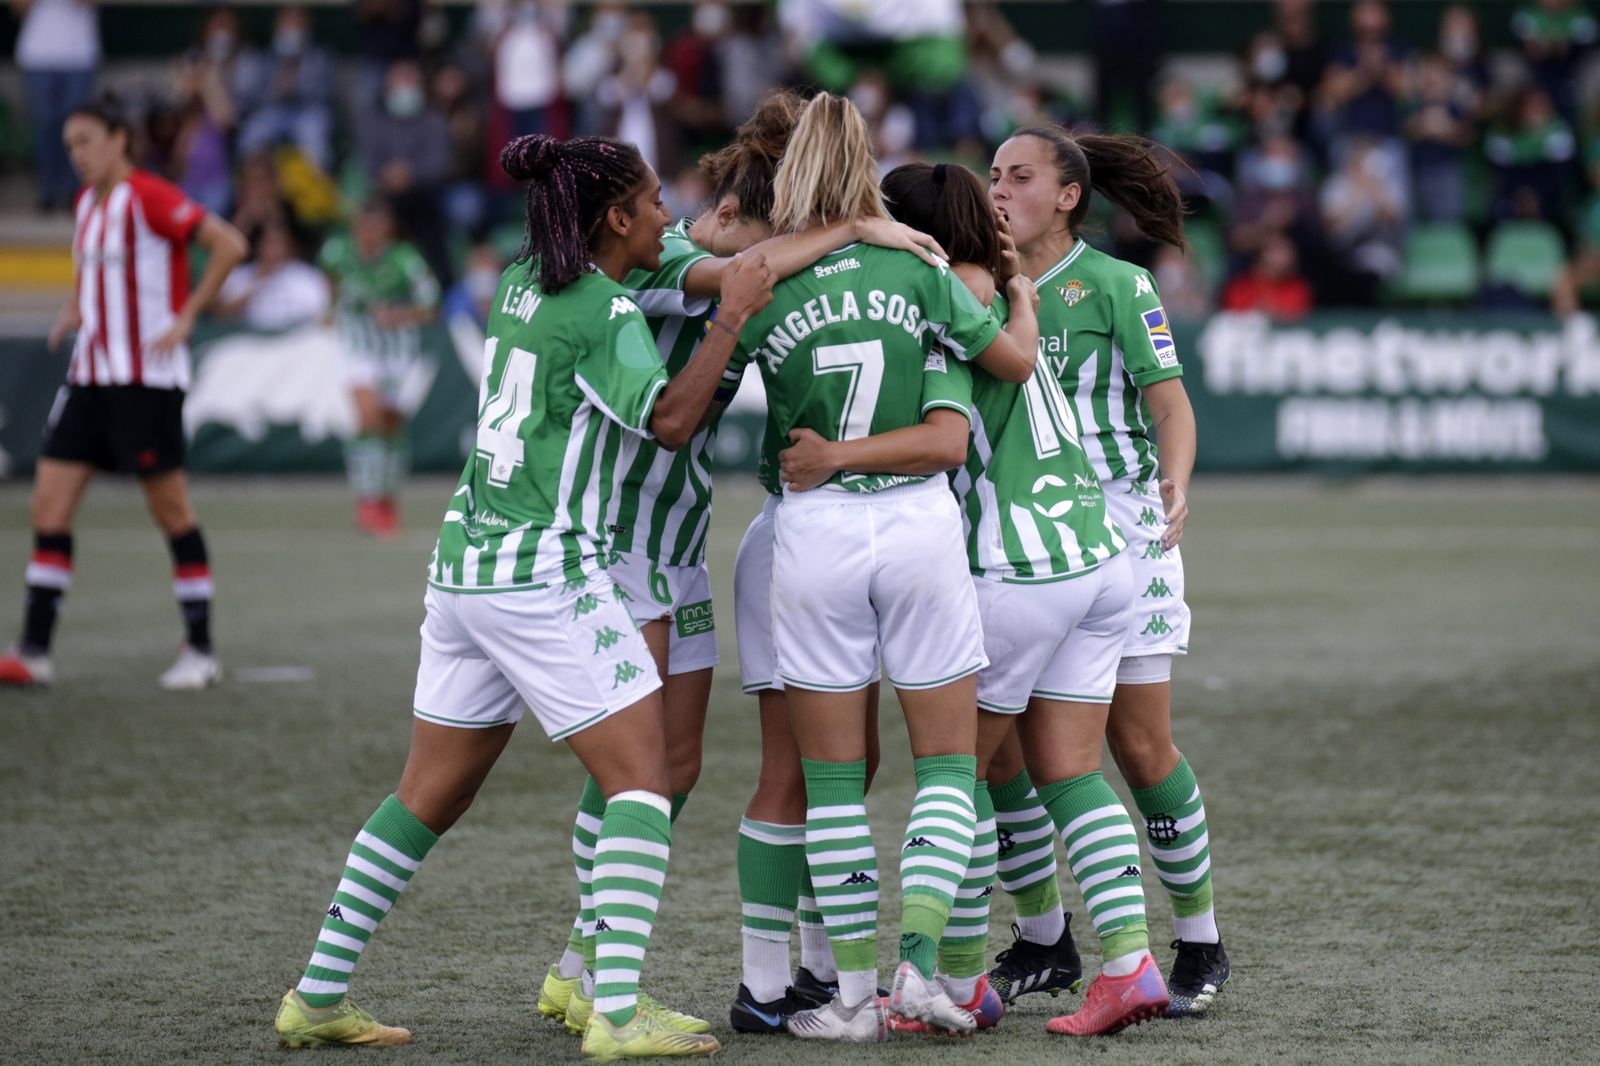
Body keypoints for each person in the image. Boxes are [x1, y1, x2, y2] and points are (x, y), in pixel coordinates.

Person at [272, 131, 775, 1059]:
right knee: (644, 778)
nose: (670, 219)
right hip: (544, 572)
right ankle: (616, 1011)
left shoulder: (518, 278)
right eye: (656, 202)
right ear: (616, 217)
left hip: (462, 569)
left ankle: (316, 993)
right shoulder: (601, 309)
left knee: (425, 796)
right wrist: (732, 316)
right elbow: (668, 422)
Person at [531, 90, 953, 1040]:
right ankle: (630, 977)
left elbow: (763, 273)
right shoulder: (654, 264)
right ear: (725, 219)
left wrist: (853, 230)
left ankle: (603, 963)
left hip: (682, 545)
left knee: (683, 770)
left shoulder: (723, 262)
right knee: (642, 773)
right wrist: (859, 224)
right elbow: (746, 278)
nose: (770, 270)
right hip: (614, 545)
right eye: (762, 242)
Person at [723, 91, 1040, 1043]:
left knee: (830, 780)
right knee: (947, 768)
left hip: (810, 524)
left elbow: (721, 288)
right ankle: (922, 964)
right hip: (918, 525)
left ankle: (850, 999)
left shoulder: (765, 276)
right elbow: (1012, 364)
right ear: (867, 166)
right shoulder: (923, 267)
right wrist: (1005, 284)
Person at [990, 125, 1229, 1020]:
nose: (999, 189)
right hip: (1016, 540)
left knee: (1137, 746)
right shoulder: (974, 280)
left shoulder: (1120, 287)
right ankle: (1044, 938)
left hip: (1123, 536)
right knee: (1003, 754)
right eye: (992, 175)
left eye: (1020, 176)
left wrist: (1176, 484)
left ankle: (1199, 939)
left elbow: (1171, 405)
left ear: (1068, 196)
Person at [0, 101, 248, 690]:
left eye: (86, 140)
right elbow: (96, 276)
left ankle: (201, 649)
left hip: (146, 382)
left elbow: (230, 244)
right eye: (69, 146)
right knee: (48, 509)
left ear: (119, 139)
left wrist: (188, 313)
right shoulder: (86, 205)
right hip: (89, 380)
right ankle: (33, 650)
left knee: (172, 514)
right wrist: (74, 308)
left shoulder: (151, 196)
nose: (77, 155)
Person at [316, 201, 439, 538]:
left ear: (387, 231)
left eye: (376, 229)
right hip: (356, 346)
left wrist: (399, 316)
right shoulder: (337, 251)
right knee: (367, 416)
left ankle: (387, 496)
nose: (369, 236)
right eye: (363, 228)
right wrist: (329, 307)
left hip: (397, 350)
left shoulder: (405, 261)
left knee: (390, 424)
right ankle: (367, 500)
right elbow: (328, 279)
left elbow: (431, 306)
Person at [13, 0, 100, 213]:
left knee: (78, 127)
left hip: (78, 56)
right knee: (44, 125)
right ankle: (47, 192)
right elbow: (18, 7)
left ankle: (75, 191)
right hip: (38, 56)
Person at [212, 220, 331, 332]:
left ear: (289, 247)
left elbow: (321, 313)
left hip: (295, 340)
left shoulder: (306, 276)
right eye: (269, 243)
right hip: (251, 340)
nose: (274, 249)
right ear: (259, 245)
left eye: (280, 243)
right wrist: (256, 287)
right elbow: (220, 314)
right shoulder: (240, 275)